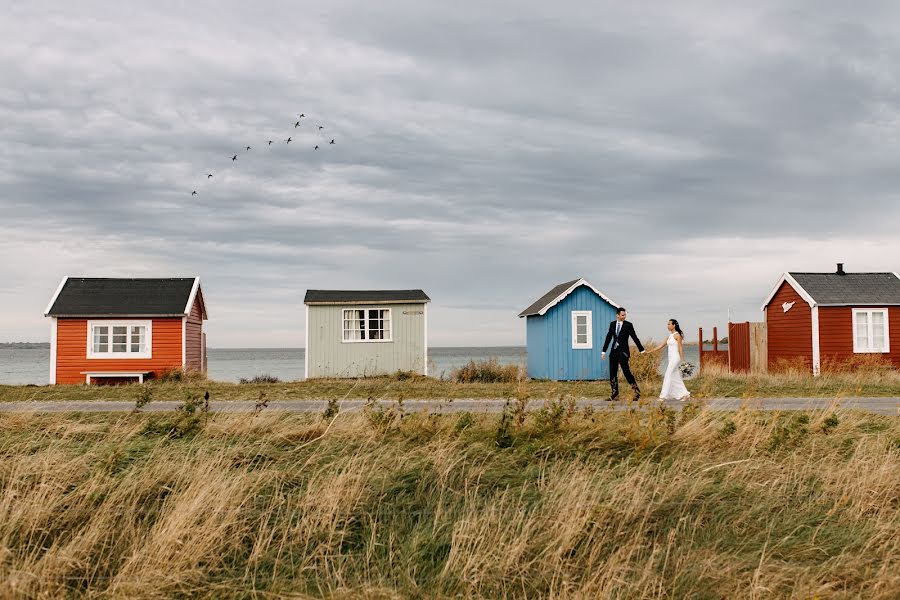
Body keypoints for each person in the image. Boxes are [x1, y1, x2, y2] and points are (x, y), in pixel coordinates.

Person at [601, 307, 645, 401]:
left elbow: (635, 338)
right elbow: (608, 338)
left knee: (627, 372)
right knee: (612, 373)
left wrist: (641, 350)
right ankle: (615, 394)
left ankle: (636, 392)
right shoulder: (612, 324)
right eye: (622, 315)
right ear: (617, 315)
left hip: (623, 352)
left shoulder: (628, 325)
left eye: (625, 315)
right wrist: (603, 351)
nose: (624, 316)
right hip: (613, 352)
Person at [647, 318, 691, 401]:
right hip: (671, 359)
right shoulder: (669, 336)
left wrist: (683, 360)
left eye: (669, 324)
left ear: (674, 325)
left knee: (667, 374)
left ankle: (663, 396)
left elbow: (680, 348)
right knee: (675, 376)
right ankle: (685, 394)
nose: (667, 326)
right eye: (667, 324)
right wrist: (650, 351)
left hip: (676, 358)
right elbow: (660, 346)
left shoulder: (677, 335)